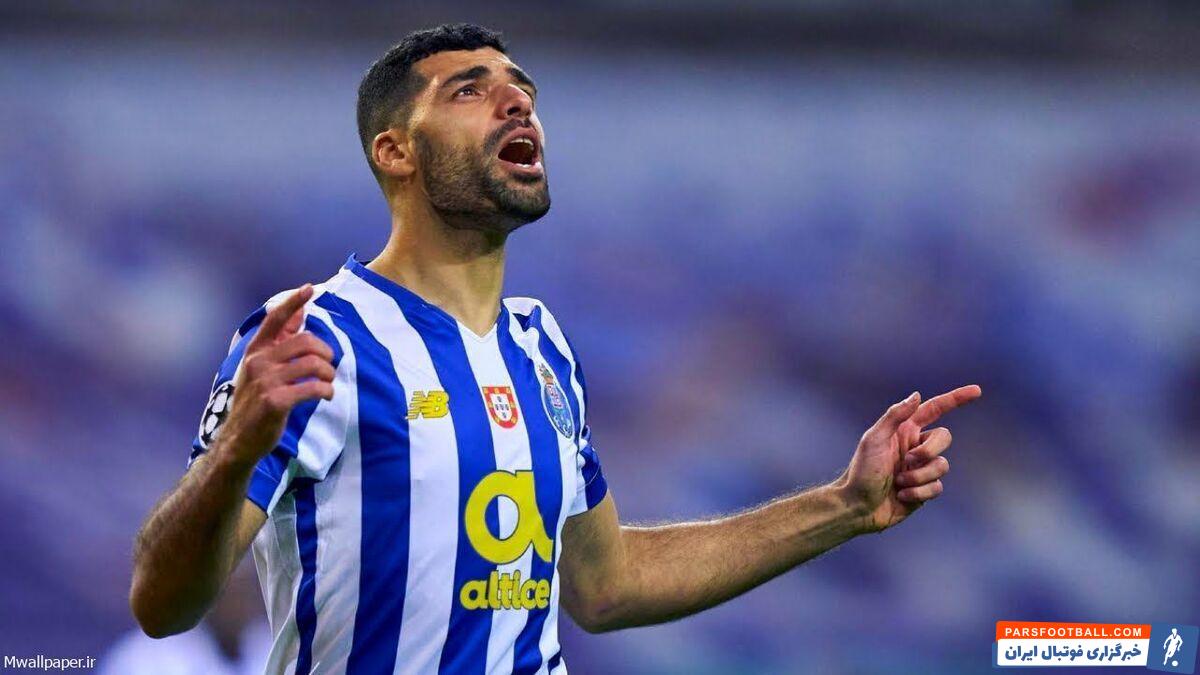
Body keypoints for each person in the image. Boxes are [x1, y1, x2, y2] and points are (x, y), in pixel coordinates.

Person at [129, 23, 982, 674]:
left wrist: (844, 504)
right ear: (396, 152)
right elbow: (162, 606)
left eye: (522, 91)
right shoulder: (317, 333)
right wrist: (234, 452)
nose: (516, 104)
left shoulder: (540, 345)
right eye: (470, 91)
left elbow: (605, 584)